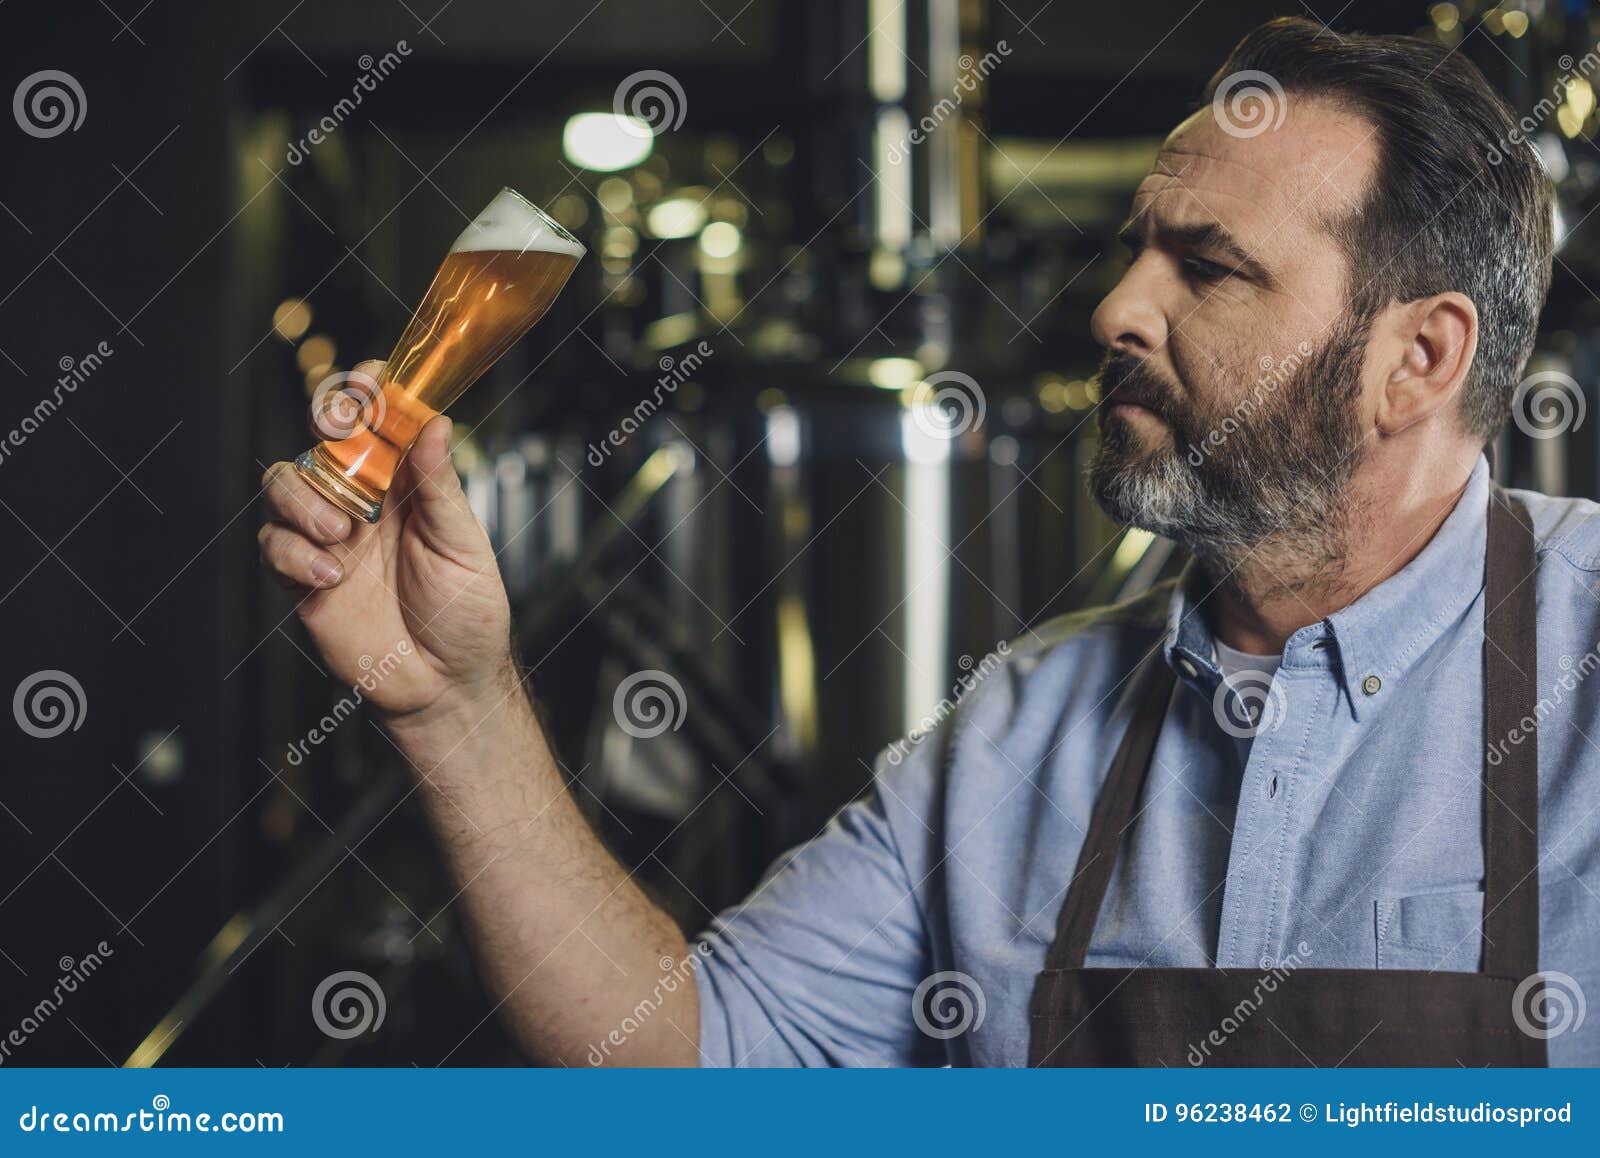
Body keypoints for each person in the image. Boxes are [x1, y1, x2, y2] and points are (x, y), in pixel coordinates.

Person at [258, 17, 1599, 1065]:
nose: (1117, 307)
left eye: (1209, 265)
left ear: (1419, 357)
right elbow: (696, 1056)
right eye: (1137, 249)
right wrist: (458, 704)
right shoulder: (1017, 731)